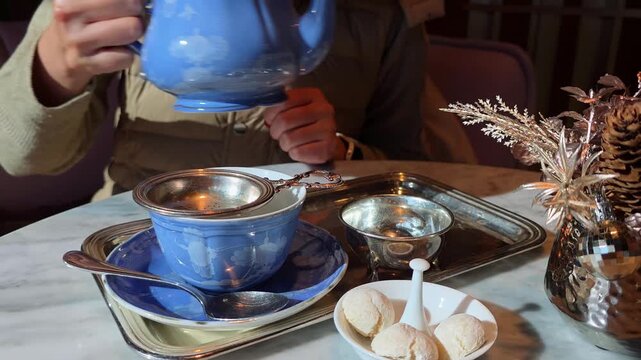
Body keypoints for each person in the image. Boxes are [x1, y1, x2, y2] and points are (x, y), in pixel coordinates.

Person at [0, 0, 476, 199]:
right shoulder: (107, 7)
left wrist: (341, 153)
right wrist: (55, 66)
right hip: (139, 230)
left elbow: (408, 169)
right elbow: (21, 156)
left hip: (306, 247)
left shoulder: (380, 16)